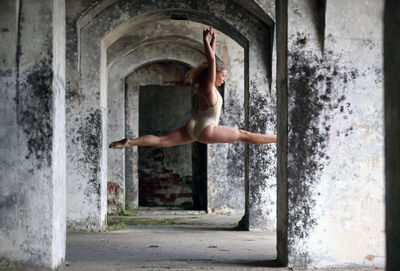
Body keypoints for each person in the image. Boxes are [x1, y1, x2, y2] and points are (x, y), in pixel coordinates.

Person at [109, 26, 276, 149]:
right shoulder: (209, 88)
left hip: (193, 126)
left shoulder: (206, 86)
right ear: (215, 74)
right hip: (206, 129)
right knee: (243, 135)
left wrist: (213, 42)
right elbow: (212, 62)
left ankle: (130, 142)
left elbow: (213, 64)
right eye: (223, 76)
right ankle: (278, 138)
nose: (224, 79)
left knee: (162, 141)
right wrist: (205, 40)